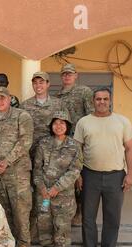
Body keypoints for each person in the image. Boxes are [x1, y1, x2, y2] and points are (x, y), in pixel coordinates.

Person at [74, 87, 132, 247]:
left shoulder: (122, 122)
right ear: (93, 101)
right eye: (98, 99)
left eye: (105, 99)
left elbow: (130, 149)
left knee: (112, 217)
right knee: (88, 216)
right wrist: (77, 173)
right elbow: (77, 150)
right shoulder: (84, 122)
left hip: (115, 176)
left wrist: (130, 174)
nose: (101, 102)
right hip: (89, 174)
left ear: (110, 101)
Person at [0, 86, 34, 247]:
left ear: (9, 98)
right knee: (2, 213)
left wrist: (6, 162)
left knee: (21, 212)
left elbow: (25, 142)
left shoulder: (22, 116)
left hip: (18, 174)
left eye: (2, 98)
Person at [19, 71, 68, 243]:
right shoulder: (25, 106)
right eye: (35, 82)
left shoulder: (58, 104)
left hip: (52, 156)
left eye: (42, 82)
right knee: (32, 191)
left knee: (49, 191)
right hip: (30, 155)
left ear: (48, 84)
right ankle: (33, 227)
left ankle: (50, 230)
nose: (38, 85)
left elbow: (66, 127)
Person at [33, 110, 82, 247]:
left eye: (62, 122)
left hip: (63, 196)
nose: (59, 125)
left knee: (62, 226)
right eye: (55, 122)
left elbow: (75, 171)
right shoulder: (44, 144)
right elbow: (37, 168)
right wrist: (41, 187)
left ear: (67, 125)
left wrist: (56, 188)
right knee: (44, 224)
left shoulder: (74, 146)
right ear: (51, 125)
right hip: (44, 194)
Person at [55, 63, 94, 227]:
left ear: (76, 75)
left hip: (80, 141)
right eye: (64, 74)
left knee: (81, 178)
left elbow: (91, 115)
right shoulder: (57, 96)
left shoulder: (84, 91)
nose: (67, 76)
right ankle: (68, 211)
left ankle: (80, 212)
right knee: (67, 176)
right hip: (63, 141)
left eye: (70, 74)